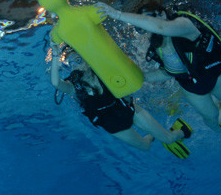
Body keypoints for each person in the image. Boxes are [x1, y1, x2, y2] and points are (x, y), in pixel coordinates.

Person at [97, 4, 221, 132]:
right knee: (211, 116)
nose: (147, 27)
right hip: (192, 87)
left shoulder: (183, 25)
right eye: (142, 25)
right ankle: (220, 130)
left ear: (162, 14)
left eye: (149, 18)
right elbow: (171, 72)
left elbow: (161, 27)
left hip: (214, 74)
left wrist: (116, 14)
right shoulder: (157, 46)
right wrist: (144, 77)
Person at [49, 40, 191, 157]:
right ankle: (153, 135)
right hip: (115, 126)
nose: (75, 66)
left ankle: (181, 131)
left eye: (78, 60)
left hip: (130, 110)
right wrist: (55, 55)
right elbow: (55, 83)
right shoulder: (75, 89)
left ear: (86, 59)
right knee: (145, 146)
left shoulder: (102, 71)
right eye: (71, 63)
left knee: (169, 139)